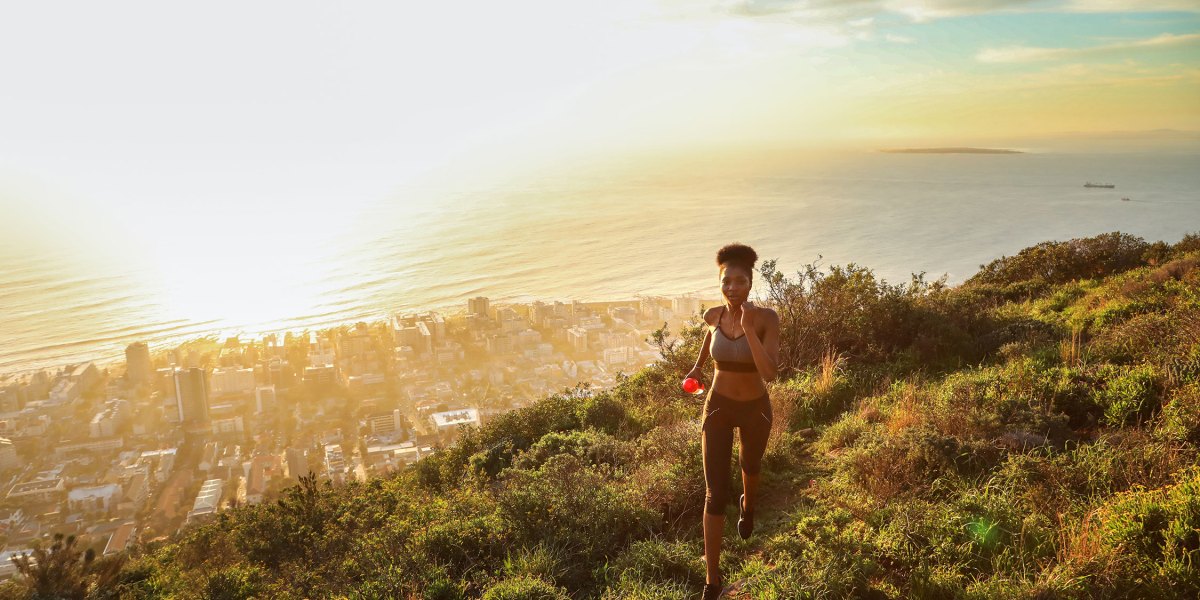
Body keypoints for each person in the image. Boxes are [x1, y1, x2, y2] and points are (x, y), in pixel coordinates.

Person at [684, 243, 780, 600]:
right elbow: (709, 337)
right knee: (714, 493)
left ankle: (749, 507)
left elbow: (769, 373)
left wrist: (747, 327)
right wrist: (697, 366)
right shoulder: (712, 315)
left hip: (755, 407)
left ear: (750, 283)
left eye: (739, 281)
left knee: (750, 466)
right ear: (719, 282)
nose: (732, 288)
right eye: (726, 281)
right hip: (718, 408)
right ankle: (712, 581)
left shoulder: (767, 318)